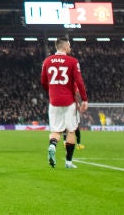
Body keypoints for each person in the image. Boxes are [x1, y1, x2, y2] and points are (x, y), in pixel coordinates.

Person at [41, 36, 87, 169]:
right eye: (69, 45)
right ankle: (68, 162)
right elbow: (79, 81)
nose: (70, 48)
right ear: (65, 46)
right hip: (69, 101)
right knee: (71, 131)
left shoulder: (47, 61)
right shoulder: (72, 61)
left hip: (54, 101)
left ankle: (52, 145)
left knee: (56, 131)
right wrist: (84, 99)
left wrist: (52, 92)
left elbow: (43, 82)